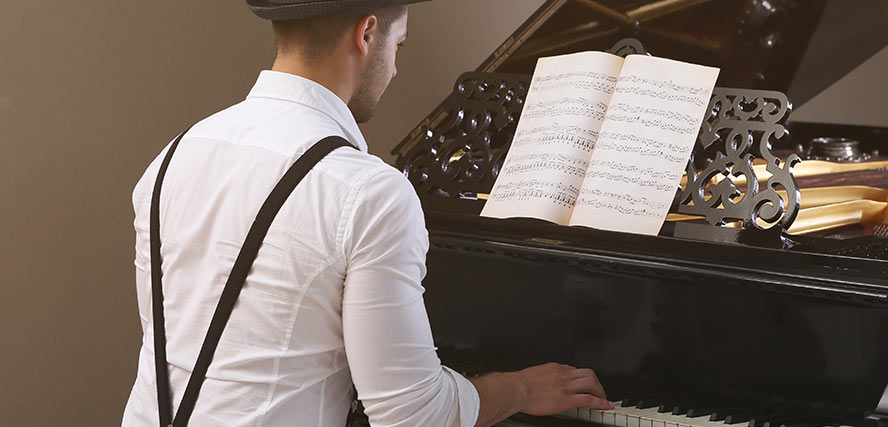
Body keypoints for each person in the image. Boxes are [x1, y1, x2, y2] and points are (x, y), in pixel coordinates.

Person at [121, 1, 612, 425]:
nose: (394, 68)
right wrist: (523, 388)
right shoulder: (369, 193)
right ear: (366, 34)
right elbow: (415, 417)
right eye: (398, 45)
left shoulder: (170, 158)